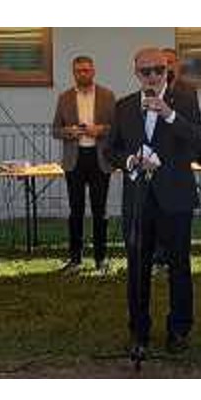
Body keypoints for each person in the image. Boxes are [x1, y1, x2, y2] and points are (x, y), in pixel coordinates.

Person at [107, 47, 201, 358]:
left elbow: (200, 141)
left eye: (159, 70)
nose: (152, 76)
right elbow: (110, 150)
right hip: (138, 198)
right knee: (137, 266)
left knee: (179, 266)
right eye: (145, 71)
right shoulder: (124, 106)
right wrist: (130, 160)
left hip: (175, 197)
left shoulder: (184, 101)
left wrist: (169, 115)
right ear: (136, 73)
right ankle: (139, 331)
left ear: (168, 71)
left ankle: (179, 330)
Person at [53, 56, 116, 275]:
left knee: (100, 211)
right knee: (75, 211)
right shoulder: (65, 97)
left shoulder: (107, 95)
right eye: (78, 71)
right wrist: (69, 132)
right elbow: (55, 130)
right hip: (75, 159)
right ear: (73, 73)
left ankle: (101, 259)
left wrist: (100, 130)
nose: (83, 74)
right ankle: (75, 259)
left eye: (86, 70)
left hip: (99, 159)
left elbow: (116, 128)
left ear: (93, 71)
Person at [151, 48, 200, 272]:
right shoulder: (150, 89)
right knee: (157, 214)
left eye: (171, 62)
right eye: (164, 63)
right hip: (155, 161)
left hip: (178, 160)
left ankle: (177, 259)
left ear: (177, 65)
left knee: (178, 216)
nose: (168, 67)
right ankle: (158, 256)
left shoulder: (188, 92)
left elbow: (194, 126)